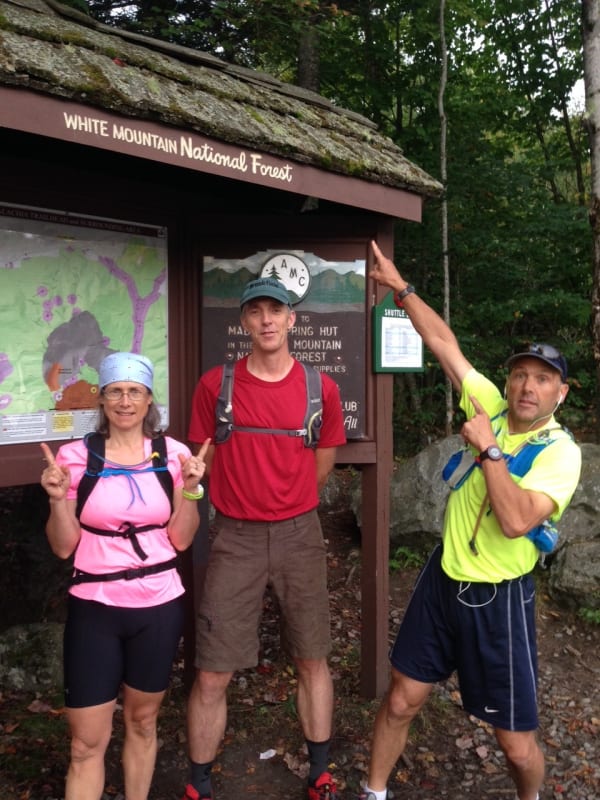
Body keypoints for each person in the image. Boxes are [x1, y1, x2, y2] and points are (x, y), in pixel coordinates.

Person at [359, 241, 582, 800]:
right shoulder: (490, 404)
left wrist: (489, 451)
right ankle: (374, 791)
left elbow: (513, 522)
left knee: (514, 744)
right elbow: (443, 344)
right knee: (402, 698)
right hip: (442, 580)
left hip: (500, 599)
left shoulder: (562, 453)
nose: (528, 387)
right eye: (521, 375)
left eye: (542, 379)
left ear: (561, 391)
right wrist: (401, 287)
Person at [183, 277, 347, 800]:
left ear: (292, 318)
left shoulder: (320, 388)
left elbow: (323, 461)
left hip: (301, 534)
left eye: (276, 309)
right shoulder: (217, 385)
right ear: (245, 322)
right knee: (212, 670)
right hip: (234, 537)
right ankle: (198, 782)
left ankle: (319, 770)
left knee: (312, 656)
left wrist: (288, 498)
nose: (267, 320)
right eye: (256, 311)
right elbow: (200, 459)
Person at [40, 351, 210, 800]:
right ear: (101, 399)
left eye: (135, 391)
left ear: (149, 398)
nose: (125, 401)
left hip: (158, 604)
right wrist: (59, 499)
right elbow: (62, 546)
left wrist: (191, 490)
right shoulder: (75, 457)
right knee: (85, 743)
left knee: (142, 721)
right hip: (95, 606)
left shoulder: (173, 455)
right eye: (115, 391)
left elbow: (181, 540)